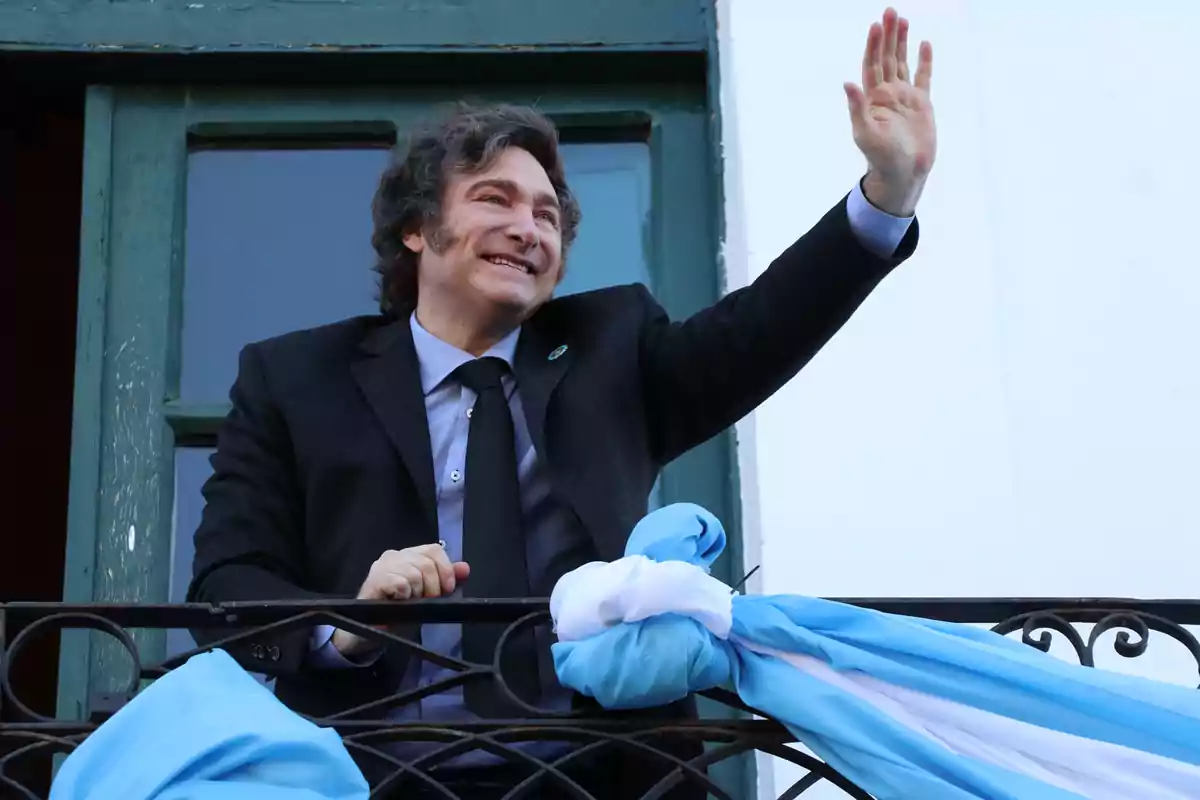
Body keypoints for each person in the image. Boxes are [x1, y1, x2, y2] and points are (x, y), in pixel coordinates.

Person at [187, 7, 935, 798]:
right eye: (494, 201)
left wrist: (886, 198)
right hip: (370, 772)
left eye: (547, 214)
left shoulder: (612, 347)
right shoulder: (296, 377)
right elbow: (227, 586)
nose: (528, 228)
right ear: (416, 228)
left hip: (604, 775)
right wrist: (346, 627)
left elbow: (760, 331)